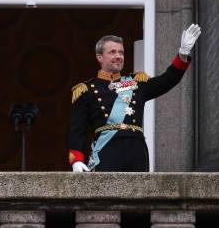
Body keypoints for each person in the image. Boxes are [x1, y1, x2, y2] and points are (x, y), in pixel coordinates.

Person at [68, 24, 201, 172]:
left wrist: (182, 55)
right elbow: (77, 130)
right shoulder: (87, 90)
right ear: (100, 57)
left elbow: (167, 81)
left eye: (121, 53)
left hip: (136, 150)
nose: (118, 56)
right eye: (112, 52)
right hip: (107, 150)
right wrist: (77, 160)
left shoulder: (136, 82)